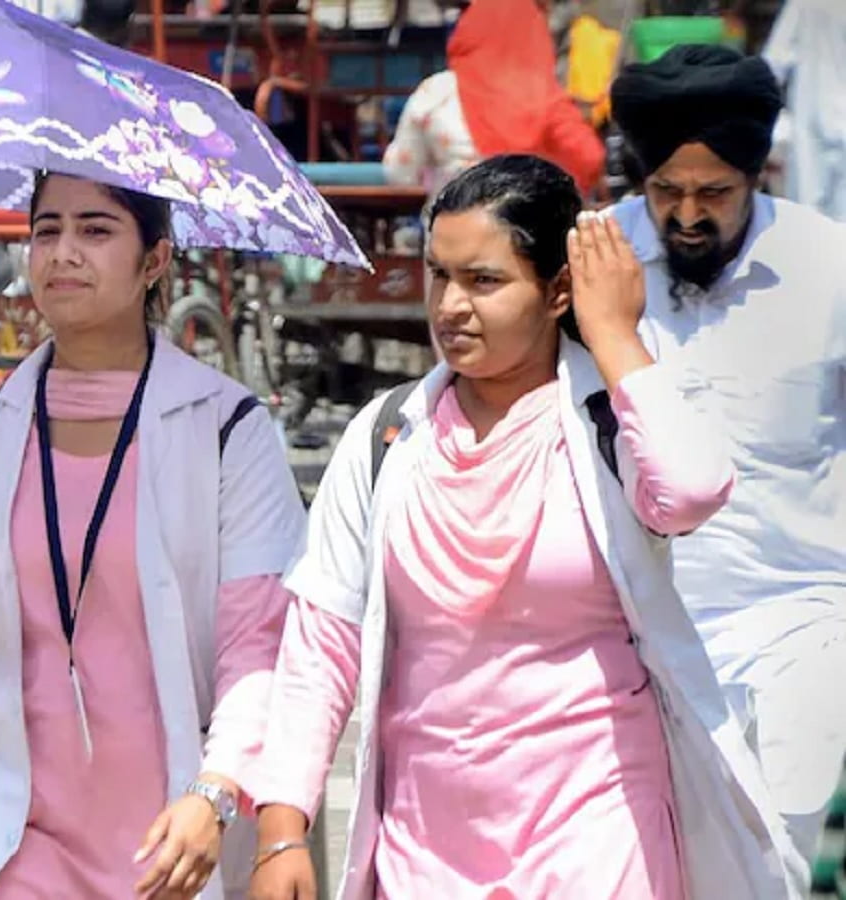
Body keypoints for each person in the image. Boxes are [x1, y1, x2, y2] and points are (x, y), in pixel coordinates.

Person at [246, 154, 801, 900]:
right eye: (440, 275)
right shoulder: (387, 436)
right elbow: (321, 648)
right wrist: (282, 830)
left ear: (558, 290)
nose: (450, 306)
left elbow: (693, 490)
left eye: (484, 280)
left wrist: (614, 335)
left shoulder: (608, 421)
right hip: (425, 842)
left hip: (599, 827)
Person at [0, 171, 305, 898]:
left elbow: (258, 648)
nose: (63, 252)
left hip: (171, 845)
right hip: (10, 851)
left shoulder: (228, 430)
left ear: (155, 260)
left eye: (96, 230)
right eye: (47, 231)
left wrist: (217, 790)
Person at [609, 44, 846, 870]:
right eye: (665, 191)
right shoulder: (597, 260)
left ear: (757, 176)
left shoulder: (828, 266)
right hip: (641, 630)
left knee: (778, 857)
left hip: (803, 619)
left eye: (713, 193)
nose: (686, 215)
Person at [383, 0, 604, 197]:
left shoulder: (436, 93)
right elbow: (590, 158)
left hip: (451, 224)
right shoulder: (544, 97)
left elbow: (399, 173)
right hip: (526, 224)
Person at [762, 0, 846, 221]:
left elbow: (774, 64)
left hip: (813, 122)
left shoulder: (804, 4)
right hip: (821, 123)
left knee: (808, 215)